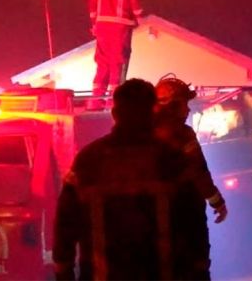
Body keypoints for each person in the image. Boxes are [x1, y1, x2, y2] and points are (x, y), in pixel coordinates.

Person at [53, 78, 208, 280]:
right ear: (152, 114)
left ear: (115, 114)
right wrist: (200, 272)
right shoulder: (171, 160)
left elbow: (65, 225)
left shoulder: (88, 161)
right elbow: (194, 226)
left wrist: (63, 273)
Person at [154, 75, 229, 223]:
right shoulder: (183, 133)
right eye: (184, 103)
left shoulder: (141, 130)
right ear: (172, 105)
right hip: (180, 209)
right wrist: (217, 202)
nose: (188, 109)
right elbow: (198, 170)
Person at [88, 0, 143, 107]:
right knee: (118, 62)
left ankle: (95, 102)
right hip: (120, 25)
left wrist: (94, 21)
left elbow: (92, 0)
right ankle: (114, 103)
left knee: (102, 63)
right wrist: (139, 15)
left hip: (101, 25)